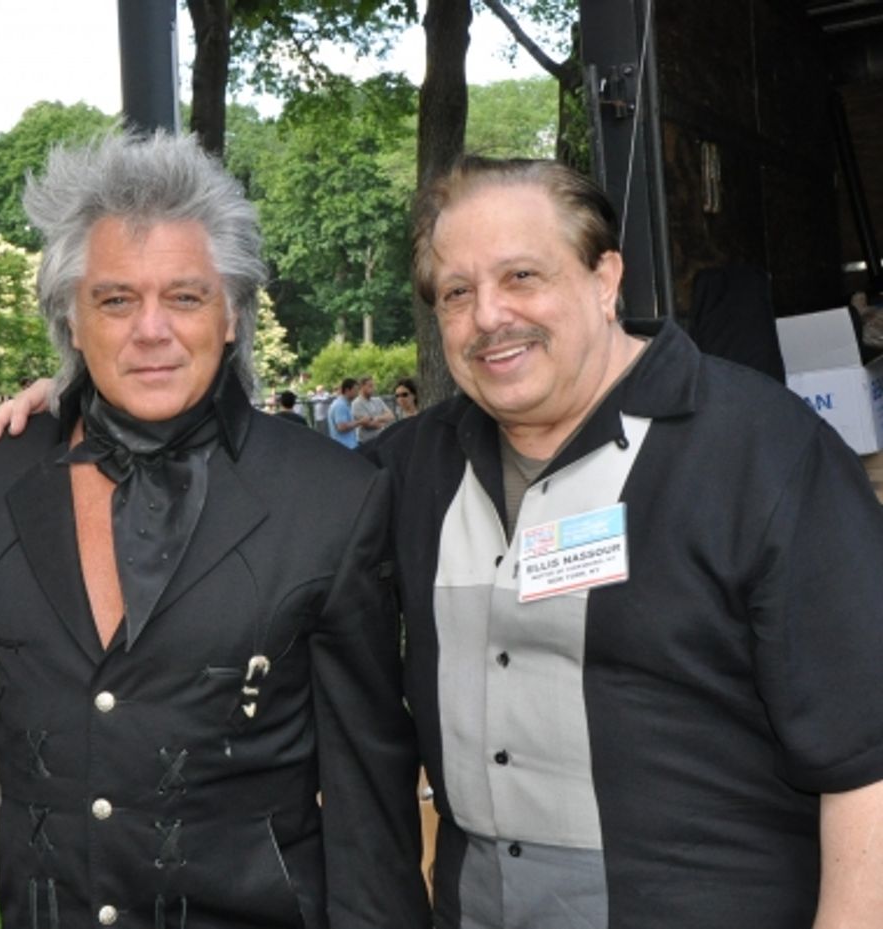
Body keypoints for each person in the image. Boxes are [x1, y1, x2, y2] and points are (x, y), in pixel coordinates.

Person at [369, 155, 883, 927]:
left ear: (605, 278)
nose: (488, 318)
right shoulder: (412, 470)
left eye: (522, 277)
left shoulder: (762, 451)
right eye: (456, 293)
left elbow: (868, 759)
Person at [0, 132, 426, 929]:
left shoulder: (330, 497)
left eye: (185, 297)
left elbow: (370, 799)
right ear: (71, 319)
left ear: (230, 314)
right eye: (116, 299)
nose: (150, 329)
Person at [351, 374, 394, 443]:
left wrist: (377, 418)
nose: (373, 388)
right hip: (366, 442)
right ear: (362, 387)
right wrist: (384, 423)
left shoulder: (378, 400)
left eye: (373, 386)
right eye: (370, 386)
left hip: (381, 440)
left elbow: (391, 416)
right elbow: (369, 425)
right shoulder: (356, 403)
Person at [326, 377, 362, 448]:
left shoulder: (345, 404)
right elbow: (341, 427)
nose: (357, 393)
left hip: (349, 446)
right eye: (355, 390)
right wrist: (360, 422)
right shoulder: (340, 405)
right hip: (345, 447)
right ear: (347, 390)